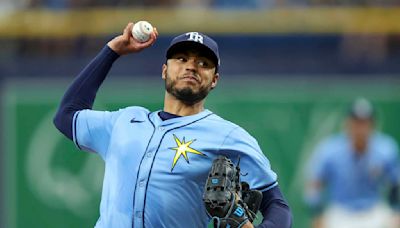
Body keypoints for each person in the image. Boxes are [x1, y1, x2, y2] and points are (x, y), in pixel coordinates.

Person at [53, 22, 292, 228]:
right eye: (182, 59)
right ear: (164, 70)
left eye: (203, 63)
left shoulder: (227, 136)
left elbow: (277, 205)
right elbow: (66, 116)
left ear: (214, 80)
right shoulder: (125, 121)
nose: (191, 66)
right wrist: (112, 51)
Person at [304, 98, 400, 228]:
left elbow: (395, 184)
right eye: (357, 122)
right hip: (341, 212)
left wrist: (395, 211)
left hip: (373, 210)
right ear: (347, 123)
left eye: (365, 123)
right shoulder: (330, 150)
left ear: (373, 124)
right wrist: (317, 213)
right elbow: (314, 185)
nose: (360, 128)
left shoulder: (385, 148)